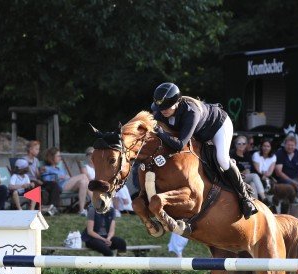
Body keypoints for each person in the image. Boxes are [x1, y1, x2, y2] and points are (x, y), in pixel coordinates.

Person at [151, 82, 258, 219]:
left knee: (222, 160)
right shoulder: (161, 112)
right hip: (200, 133)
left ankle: (245, 198)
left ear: (177, 102)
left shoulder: (191, 112)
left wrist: (160, 133)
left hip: (218, 127)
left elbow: (179, 145)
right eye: (160, 108)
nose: (163, 111)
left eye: (167, 107)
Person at [82, 146, 133, 215]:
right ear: (87, 156)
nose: (92, 157)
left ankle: (118, 208)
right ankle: (122, 205)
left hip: (103, 184)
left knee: (117, 185)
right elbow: (89, 180)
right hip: (95, 186)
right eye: (90, 155)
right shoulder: (85, 168)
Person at [42, 147, 89, 216]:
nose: (60, 158)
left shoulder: (59, 168)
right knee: (83, 176)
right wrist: (58, 177)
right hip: (59, 186)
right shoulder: (46, 168)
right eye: (58, 156)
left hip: (67, 184)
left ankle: (81, 210)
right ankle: (94, 203)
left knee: (83, 182)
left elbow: (66, 178)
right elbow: (46, 180)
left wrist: (66, 177)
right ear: (52, 157)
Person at [21, 140, 60, 214]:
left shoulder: (36, 160)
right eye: (36, 149)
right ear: (30, 149)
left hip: (37, 181)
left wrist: (41, 172)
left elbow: (37, 175)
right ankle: (41, 208)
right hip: (28, 182)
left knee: (54, 184)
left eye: (38, 149)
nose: (38, 151)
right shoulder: (23, 160)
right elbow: (22, 174)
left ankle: (53, 206)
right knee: (37, 185)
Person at [231, 135, 268, 203]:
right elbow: (230, 170)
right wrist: (241, 171)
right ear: (235, 144)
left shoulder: (247, 156)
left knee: (252, 184)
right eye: (239, 143)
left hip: (248, 178)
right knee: (254, 176)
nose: (241, 145)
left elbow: (253, 169)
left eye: (244, 143)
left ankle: (255, 204)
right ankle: (264, 198)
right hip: (238, 178)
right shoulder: (232, 155)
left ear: (246, 145)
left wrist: (262, 176)